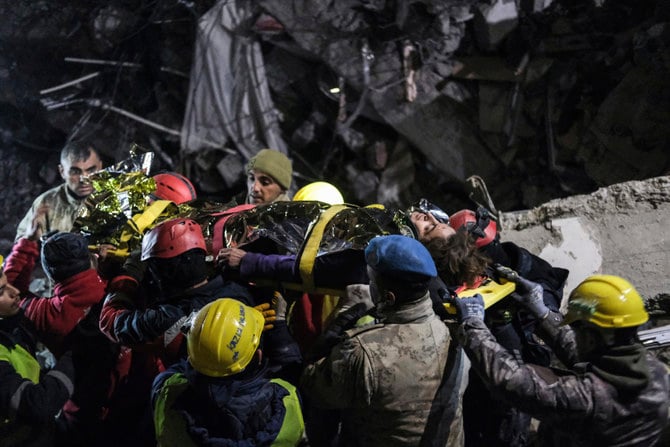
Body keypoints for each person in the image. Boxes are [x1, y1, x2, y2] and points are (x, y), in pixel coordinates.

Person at [448, 268, 670, 446]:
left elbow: (509, 380)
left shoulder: (586, 398)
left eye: (576, 329)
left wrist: (473, 324)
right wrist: (541, 312)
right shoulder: (655, 370)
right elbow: (583, 353)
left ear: (591, 337)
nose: (573, 334)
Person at [300, 235, 469, 447]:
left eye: (371, 281)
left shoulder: (364, 352)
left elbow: (313, 386)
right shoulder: (456, 330)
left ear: (388, 297)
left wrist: (342, 316)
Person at [151, 298, 305, 446]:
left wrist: (204, 344)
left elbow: (173, 373)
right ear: (258, 356)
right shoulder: (286, 400)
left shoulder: (168, 395)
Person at [0, 254, 76, 446]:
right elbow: (37, 403)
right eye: (1, 291)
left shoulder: (8, 330)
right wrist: (74, 358)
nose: (15, 291)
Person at [15, 141, 104, 241]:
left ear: (100, 167)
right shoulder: (46, 203)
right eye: (75, 172)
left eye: (91, 170)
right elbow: (20, 245)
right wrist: (31, 240)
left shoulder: (117, 200)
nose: (84, 179)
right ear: (62, 172)